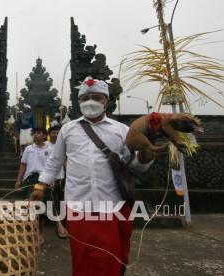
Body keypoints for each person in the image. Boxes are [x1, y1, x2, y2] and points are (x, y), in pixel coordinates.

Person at [30, 77, 154, 276]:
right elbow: (54, 161)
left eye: (96, 97)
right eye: (85, 98)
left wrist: (146, 156)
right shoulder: (68, 130)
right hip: (80, 204)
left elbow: (135, 167)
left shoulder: (122, 130)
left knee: (114, 258)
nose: (90, 101)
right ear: (79, 102)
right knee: (84, 259)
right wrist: (40, 187)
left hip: (114, 204)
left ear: (106, 101)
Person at [15, 127, 50, 244]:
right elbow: (23, 165)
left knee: (41, 207)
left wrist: (52, 180)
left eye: (39, 133)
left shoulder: (50, 149)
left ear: (45, 136)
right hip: (29, 179)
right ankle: (29, 232)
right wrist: (19, 180)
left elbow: (53, 166)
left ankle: (40, 233)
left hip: (43, 179)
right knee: (28, 206)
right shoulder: (28, 149)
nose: (36, 135)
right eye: (34, 133)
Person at [46, 125, 67, 239]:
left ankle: (60, 222)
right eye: (53, 132)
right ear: (49, 134)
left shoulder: (64, 146)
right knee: (53, 201)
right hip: (50, 178)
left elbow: (65, 161)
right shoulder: (45, 146)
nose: (55, 134)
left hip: (61, 177)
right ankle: (58, 224)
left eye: (58, 132)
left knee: (60, 200)